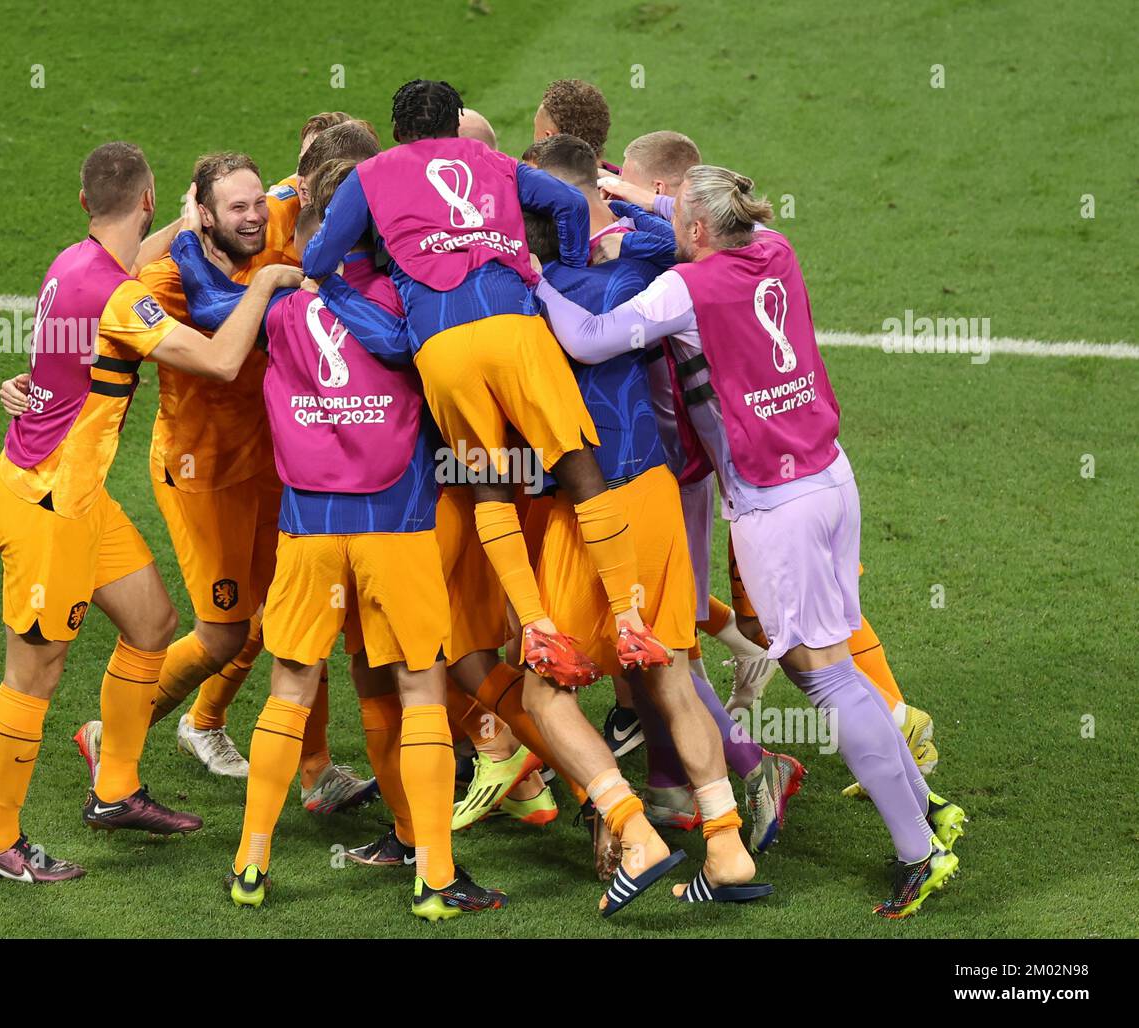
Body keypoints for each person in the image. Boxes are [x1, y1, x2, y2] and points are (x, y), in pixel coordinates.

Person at [536, 163, 966, 917]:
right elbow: (709, 221)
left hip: (776, 503)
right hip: (832, 479)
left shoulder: (685, 290)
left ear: (696, 231)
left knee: (825, 676)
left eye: (674, 221)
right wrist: (647, 198)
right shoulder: (775, 246)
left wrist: (536, 278)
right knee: (835, 665)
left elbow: (593, 340)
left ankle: (918, 851)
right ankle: (926, 810)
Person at [0, 141, 301, 884]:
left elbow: (72, 346)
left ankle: (115, 789)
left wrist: (25, 386)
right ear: (148, 199)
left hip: (74, 491)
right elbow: (216, 361)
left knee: (152, 624)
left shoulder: (70, 265)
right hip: (46, 503)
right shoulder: (122, 297)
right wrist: (271, 278)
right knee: (35, 674)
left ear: (89, 204)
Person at [173, 199, 506, 920]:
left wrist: (187, 235)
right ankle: (436, 879)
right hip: (399, 526)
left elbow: (203, 295)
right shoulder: (412, 302)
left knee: (289, 688)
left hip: (308, 530)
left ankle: (251, 864)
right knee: (421, 692)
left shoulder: (281, 307)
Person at [301, 78, 672, 689]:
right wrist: (566, 267)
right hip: (514, 330)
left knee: (488, 487)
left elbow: (318, 259)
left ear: (397, 133)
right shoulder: (493, 161)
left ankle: (536, 629)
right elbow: (570, 205)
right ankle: (631, 621)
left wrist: (354, 274)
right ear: (451, 127)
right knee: (579, 467)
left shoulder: (372, 177)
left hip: (441, 345)